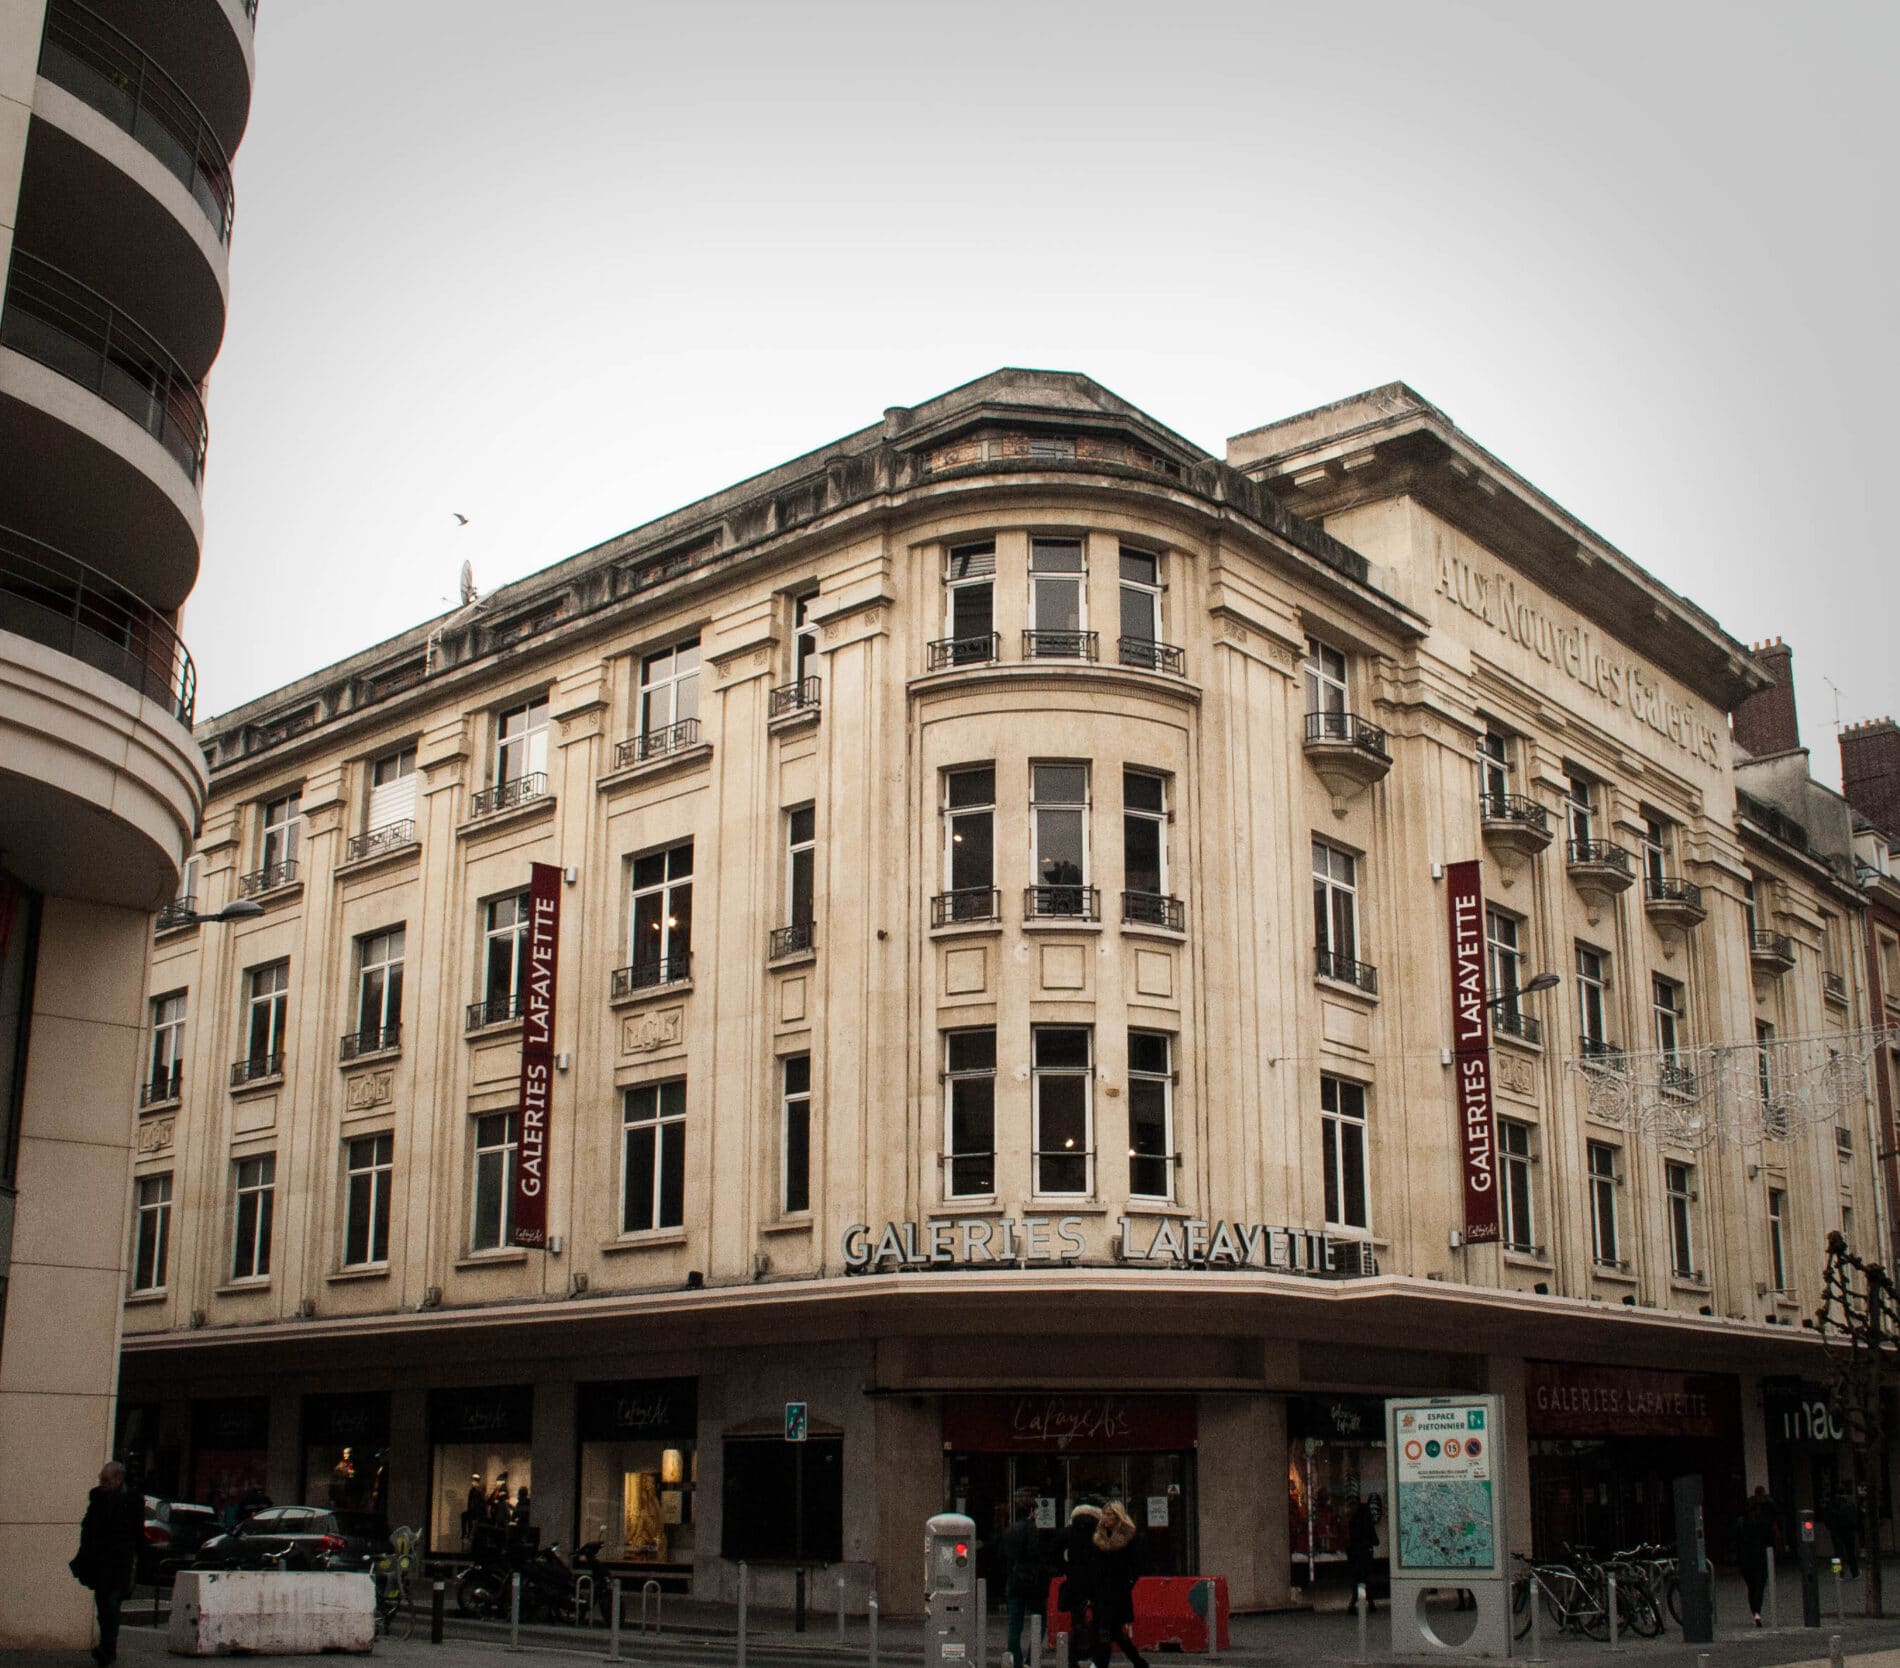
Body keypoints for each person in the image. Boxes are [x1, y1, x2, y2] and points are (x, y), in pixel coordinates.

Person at [72, 1460, 142, 1667]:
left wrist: (138, 1559)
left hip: (120, 1561)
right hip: (100, 1561)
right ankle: (107, 1645)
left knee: (112, 1603)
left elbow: (137, 1533)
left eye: (106, 1479)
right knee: (103, 1605)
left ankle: (108, 1646)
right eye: (101, 1479)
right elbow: (89, 1526)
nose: (102, 1483)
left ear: (118, 1479)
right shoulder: (98, 1497)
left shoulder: (133, 1499)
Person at [1089, 1502, 1148, 1668]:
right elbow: (1093, 1566)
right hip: (1100, 1593)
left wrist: (1127, 1584)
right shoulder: (1099, 1536)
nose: (1105, 1517)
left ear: (1118, 1516)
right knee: (1114, 1632)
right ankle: (1139, 1663)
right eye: (1104, 1513)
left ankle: (1101, 1664)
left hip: (1118, 1592)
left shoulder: (1129, 1537)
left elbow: (1136, 1565)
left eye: (1109, 1514)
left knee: (1105, 1631)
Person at [997, 1495, 1045, 1668]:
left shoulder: (1008, 1530)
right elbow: (1034, 1553)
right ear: (1031, 1511)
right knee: (1040, 1620)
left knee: (1014, 1624)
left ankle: (1015, 1660)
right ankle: (1032, 1659)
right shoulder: (1031, 1528)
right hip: (1031, 1582)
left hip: (1013, 1580)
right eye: (1036, 1510)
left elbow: (1001, 1555)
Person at [1060, 1502, 1103, 1668]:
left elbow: (1052, 1551)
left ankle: (1073, 1659)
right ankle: (1096, 1658)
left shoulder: (1069, 1533)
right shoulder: (1099, 1533)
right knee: (1098, 1621)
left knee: (1077, 1622)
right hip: (1095, 1582)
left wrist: (1066, 1567)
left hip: (1075, 1582)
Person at [1735, 1486, 1781, 1625]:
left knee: (1752, 1587)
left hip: (1746, 1559)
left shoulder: (1742, 1522)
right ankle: (1757, 1612)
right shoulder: (1764, 1521)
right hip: (1761, 1557)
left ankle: (1755, 1612)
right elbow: (1771, 1539)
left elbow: (1736, 1540)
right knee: (1759, 1586)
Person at [1345, 1497, 1378, 1612]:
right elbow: (1375, 1540)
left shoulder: (1353, 1522)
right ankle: (1369, 1602)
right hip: (1365, 1554)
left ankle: (1354, 1602)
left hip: (1355, 1555)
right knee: (1366, 1579)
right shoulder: (1367, 1522)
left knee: (1357, 1580)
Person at [1824, 1485, 1861, 1580]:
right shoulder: (1850, 1503)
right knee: (1851, 1553)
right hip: (1849, 1531)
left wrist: (1831, 1527)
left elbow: (1827, 1519)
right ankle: (1855, 1573)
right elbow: (1856, 1517)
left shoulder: (1831, 1504)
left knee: (1837, 1553)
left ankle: (1838, 1573)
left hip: (1836, 1531)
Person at [463, 1475, 486, 1545]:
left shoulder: (477, 1491)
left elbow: (478, 1503)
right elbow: (471, 1502)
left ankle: (470, 1539)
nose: (473, 1482)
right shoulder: (473, 1490)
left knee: (473, 1527)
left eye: (474, 1481)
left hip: (476, 1513)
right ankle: (468, 1537)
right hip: (473, 1512)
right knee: (470, 1525)